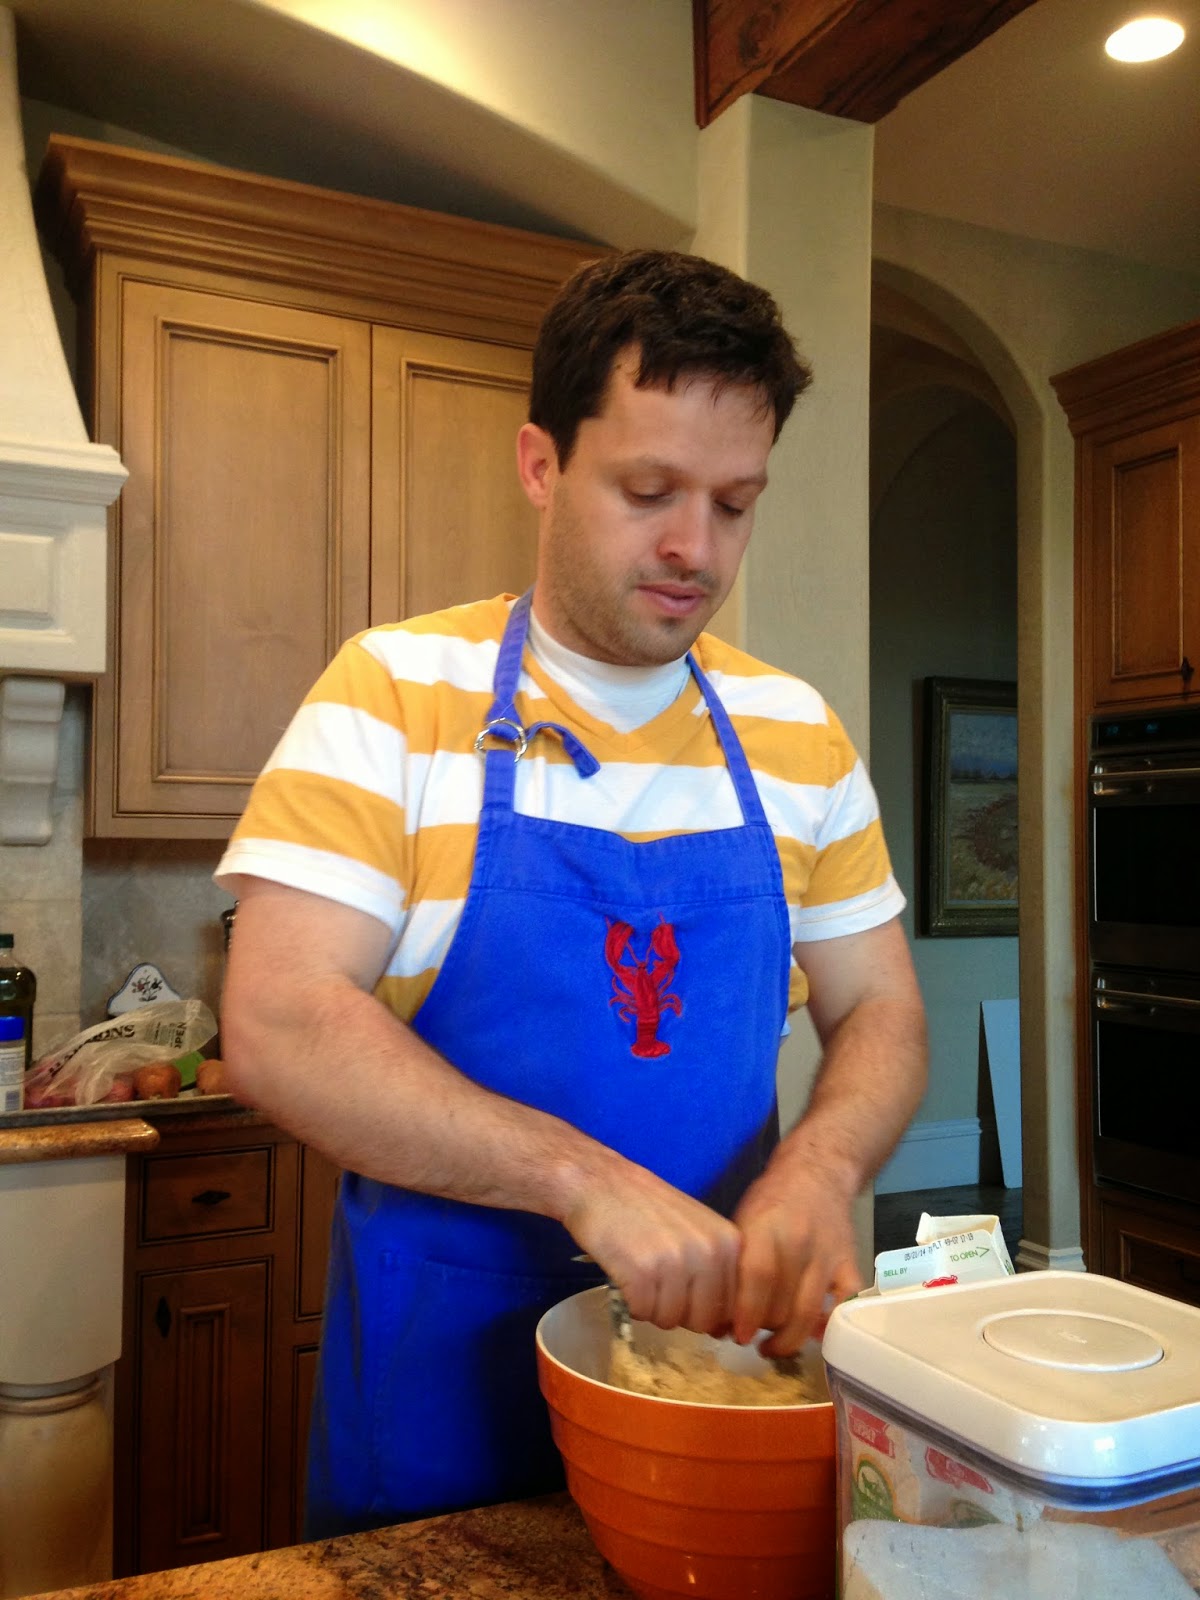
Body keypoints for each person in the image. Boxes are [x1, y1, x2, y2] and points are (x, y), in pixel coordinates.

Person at [216, 249, 927, 1537]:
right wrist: (581, 1180)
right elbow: (276, 1019)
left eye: (734, 503)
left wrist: (822, 1170)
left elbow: (881, 1009)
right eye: (648, 491)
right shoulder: (394, 694)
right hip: (435, 1397)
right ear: (541, 465)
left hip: (711, 1369)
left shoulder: (798, 735)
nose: (694, 548)